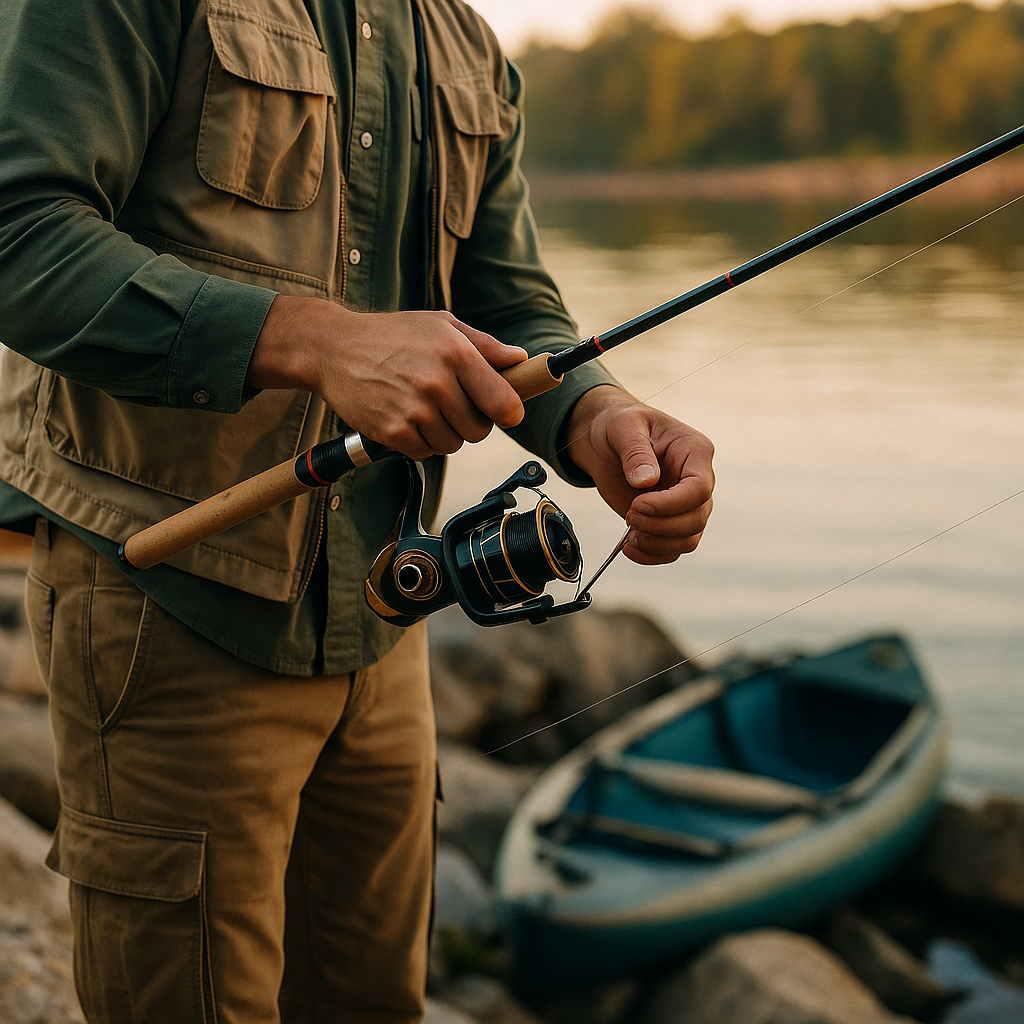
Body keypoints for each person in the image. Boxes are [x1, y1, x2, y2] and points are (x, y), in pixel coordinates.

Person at [0, 0, 714, 1021]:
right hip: (169, 605)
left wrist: (598, 416)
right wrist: (316, 340)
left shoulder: (462, 40)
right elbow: (20, 233)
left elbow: (506, 297)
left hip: (386, 620)